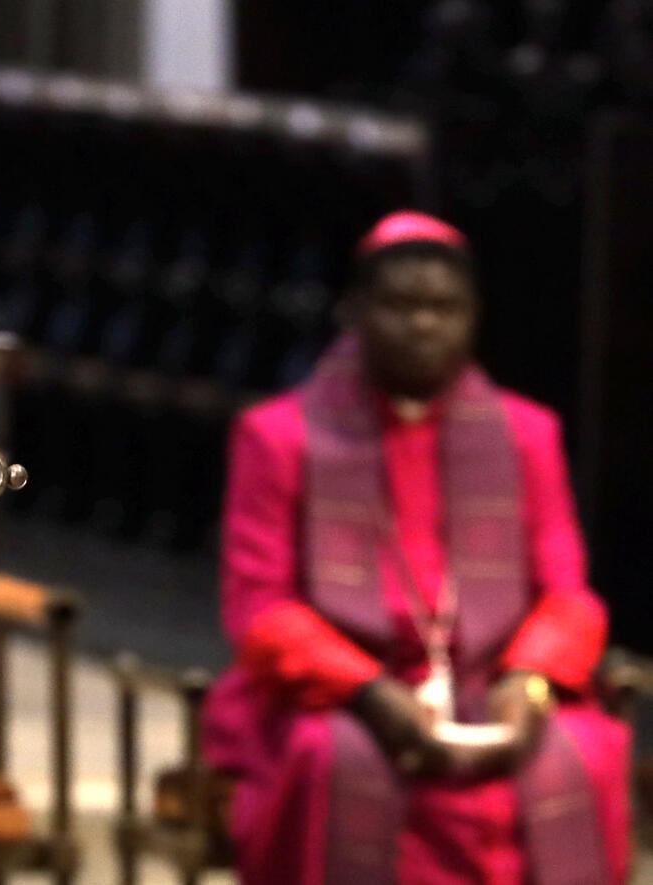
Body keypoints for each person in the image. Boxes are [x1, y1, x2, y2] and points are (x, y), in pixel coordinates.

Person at [202, 210, 630, 884]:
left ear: (474, 317)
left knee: (586, 752)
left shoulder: (528, 433)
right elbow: (259, 605)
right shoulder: (279, 435)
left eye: (444, 308)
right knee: (329, 760)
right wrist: (370, 692)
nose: (424, 325)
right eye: (400, 305)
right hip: (339, 696)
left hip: (494, 684)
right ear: (354, 311)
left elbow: (568, 595)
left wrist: (527, 681)